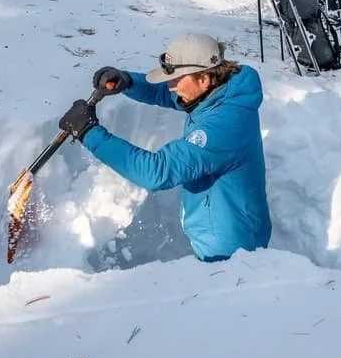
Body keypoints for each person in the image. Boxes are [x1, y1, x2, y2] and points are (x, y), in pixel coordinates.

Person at [57, 33, 271, 262]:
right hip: (224, 230)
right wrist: (128, 82)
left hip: (230, 251)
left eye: (176, 80)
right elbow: (168, 94)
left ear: (204, 79)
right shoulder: (221, 92)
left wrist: (89, 132)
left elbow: (155, 171)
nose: (171, 87)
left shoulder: (222, 127)